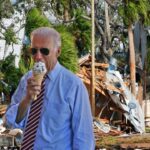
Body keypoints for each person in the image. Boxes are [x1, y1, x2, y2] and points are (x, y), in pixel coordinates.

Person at [5, 27, 95, 149]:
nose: (38, 56)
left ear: (58, 52)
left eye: (44, 51)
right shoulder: (26, 80)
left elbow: (84, 137)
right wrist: (27, 99)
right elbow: (10, 122)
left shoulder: (73, 86)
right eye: (34, 51)